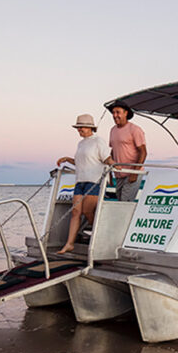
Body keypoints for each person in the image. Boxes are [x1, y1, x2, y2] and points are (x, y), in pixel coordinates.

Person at [55, 114, 112, 255]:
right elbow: (81, 162)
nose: (79, 129)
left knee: (87, 212)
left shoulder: (98, 141)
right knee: (75, 212)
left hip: (94, 181)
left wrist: (118, 167)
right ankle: (69, 244)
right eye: (78, 127)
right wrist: (68, 159)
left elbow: (107, 159)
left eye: (81, 127)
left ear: (90, 127)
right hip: (80, 181)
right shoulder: (81, 143)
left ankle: (99, 236)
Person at [106, 100, 147, 201]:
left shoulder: (135, 129)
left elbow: (143, 152)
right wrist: (110, 173)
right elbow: (113, 152)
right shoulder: (113, 130)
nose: (115, 115)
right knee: (120, 202)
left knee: (125, 203)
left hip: (131, 173)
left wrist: (134, 172)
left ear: (125, 113)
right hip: (119, 174)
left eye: (118, 112)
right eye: (113, 113)